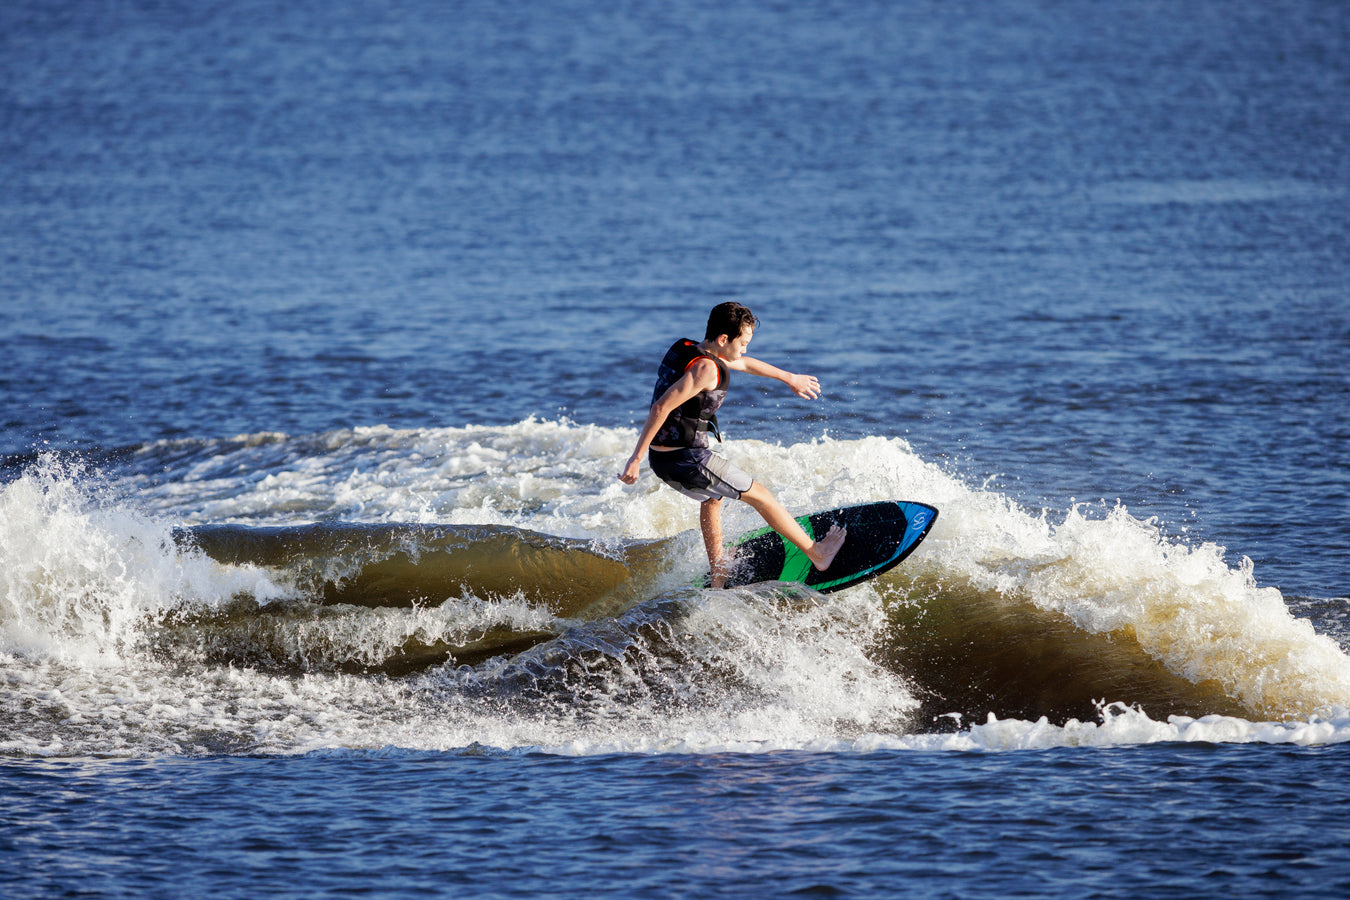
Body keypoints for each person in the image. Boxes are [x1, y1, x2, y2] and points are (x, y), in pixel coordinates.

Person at [618, 302, 845, 588]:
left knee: (712, 498)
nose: (746, 349)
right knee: (761, 496)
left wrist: (789, 378)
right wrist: (634, 459)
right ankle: (817, 554)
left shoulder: (686, 348)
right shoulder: (705, 369)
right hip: (688, 458)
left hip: (664, 459)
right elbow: (661, 408)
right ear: (724, 339)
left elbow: (746, 364)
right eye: (744, 343)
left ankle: (718, 573)